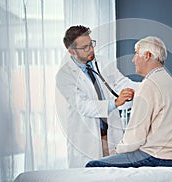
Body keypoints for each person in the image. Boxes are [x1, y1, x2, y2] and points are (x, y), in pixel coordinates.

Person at [85, 36, 172, 168]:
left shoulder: (149, 85)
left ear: (147, 55)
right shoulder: (168, 80)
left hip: (159, 157)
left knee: (93, 165)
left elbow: (135, 136)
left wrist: (117, 151)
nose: (133, 60)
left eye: (136, 54)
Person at [56, 25, 138, 168]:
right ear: (71, 51)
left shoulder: (103, 61)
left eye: (91, 44)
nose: (91, 49)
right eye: (85, 47)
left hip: (111, 132)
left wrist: (145, 87)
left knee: (115, 174)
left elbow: (120, 82)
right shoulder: (65, 75)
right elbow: (83, 105)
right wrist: (115, 103)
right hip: (87, 138)